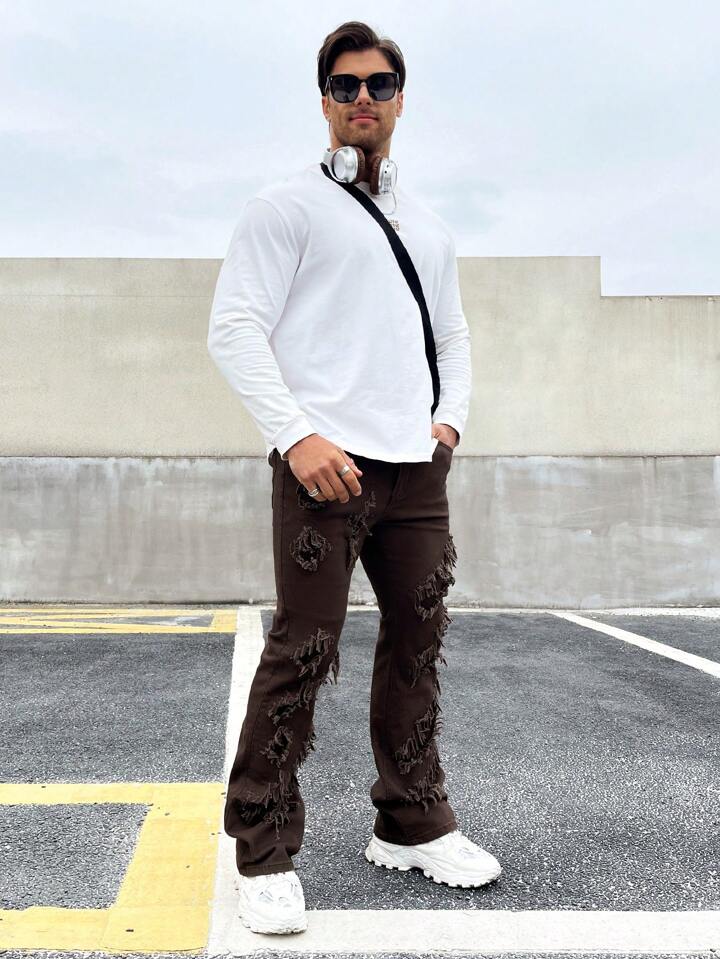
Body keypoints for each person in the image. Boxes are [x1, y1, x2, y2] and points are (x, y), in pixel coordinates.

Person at [207, 19, 501, 936]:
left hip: (416, 471)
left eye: (377, 84)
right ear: (325, 101)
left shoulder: (430, 228)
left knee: (418, 641)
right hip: (324, 471)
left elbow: (452, 335)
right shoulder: (285, 208)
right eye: (344, 85)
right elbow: (234, 328)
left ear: (400, 99)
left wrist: (449, 422)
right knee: (304, 645)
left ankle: (410, 820)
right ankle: (262, 848)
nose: (361, 98)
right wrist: (296, 436)